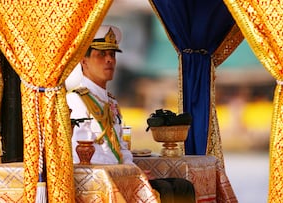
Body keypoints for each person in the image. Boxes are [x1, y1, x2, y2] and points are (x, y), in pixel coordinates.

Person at [66, 25, 196, 203]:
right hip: (99, 180)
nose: (109, 60)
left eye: (112, 55)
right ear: (84, 60)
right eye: (101, 55)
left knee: (182, 186)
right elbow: (82, 155)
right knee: (164, 191)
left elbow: (121, 148)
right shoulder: (76, 101)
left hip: (120, 175)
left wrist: (133, 170)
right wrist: (127, 173)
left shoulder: (111, 102)